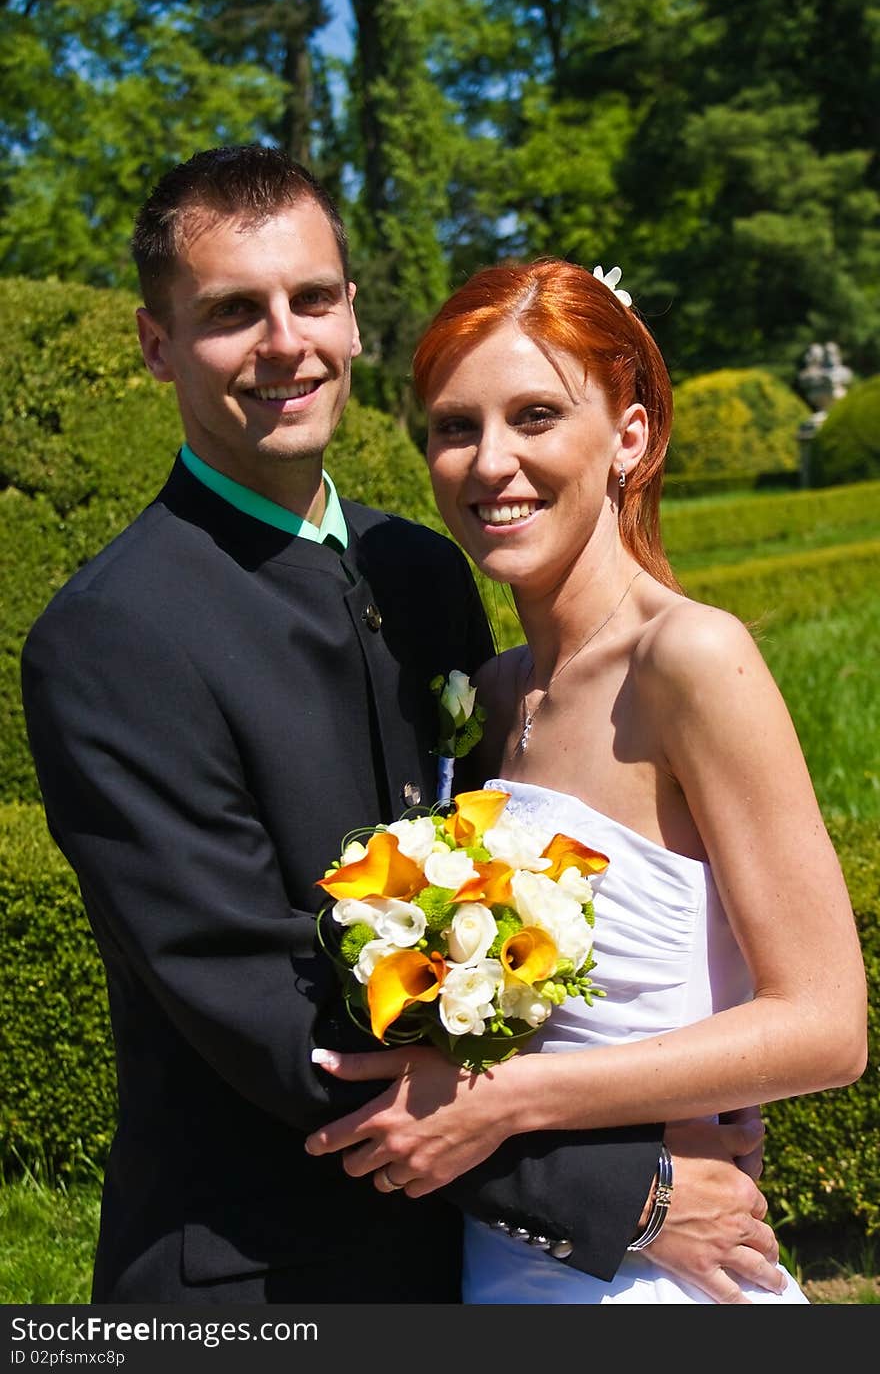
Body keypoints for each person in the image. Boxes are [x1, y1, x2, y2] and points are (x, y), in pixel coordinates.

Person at [20, 146, 785, 1305]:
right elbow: (276, 1022)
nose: (286, 341)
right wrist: (627, 1190)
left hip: (470, 1258)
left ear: (352, 314)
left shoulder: (422, 567)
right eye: (232, 311)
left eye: (311, 297)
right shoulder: (112, 637)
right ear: (155, 343)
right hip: (267, 1275)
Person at [303, 257, 868, 1304]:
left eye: (533, 416)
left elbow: (827, 1024)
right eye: (454, 426)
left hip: (660, 1282)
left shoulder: (689, 659)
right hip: (506, 1259)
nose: (490, 462)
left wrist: (500, 1096)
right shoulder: (488, 691)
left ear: (630, 436)